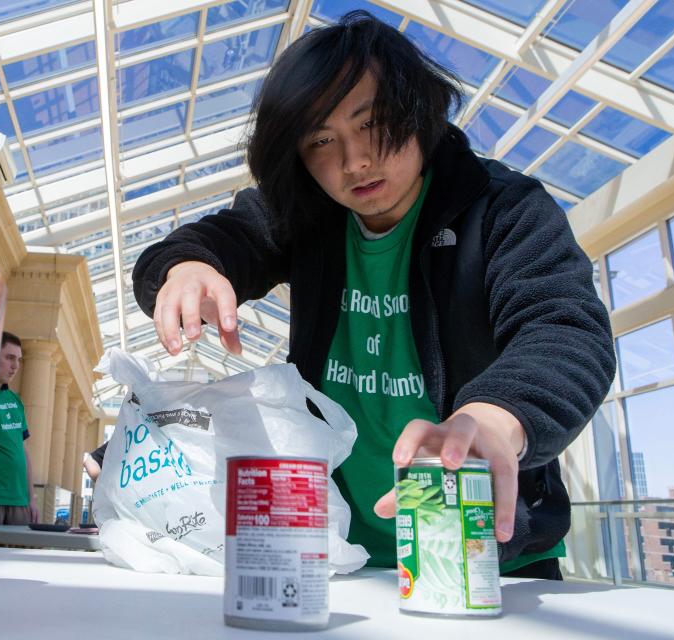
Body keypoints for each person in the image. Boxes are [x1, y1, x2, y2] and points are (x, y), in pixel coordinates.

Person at [132, 12, 615, 579]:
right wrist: (187, 267)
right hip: (342, 549)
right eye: (320, 140)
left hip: (482, 550)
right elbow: (225, 239)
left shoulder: (503, 209)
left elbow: (564, 329)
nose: (354, 161)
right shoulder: (309, 215)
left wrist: (496, 416)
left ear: (420, 110)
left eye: (373, 124)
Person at [0, 331, 39, 525]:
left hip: (20, 501)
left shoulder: (15, 401)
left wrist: (32, 498)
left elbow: (22, 450)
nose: (15, 366)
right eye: (10, 358)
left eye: (19, 360)